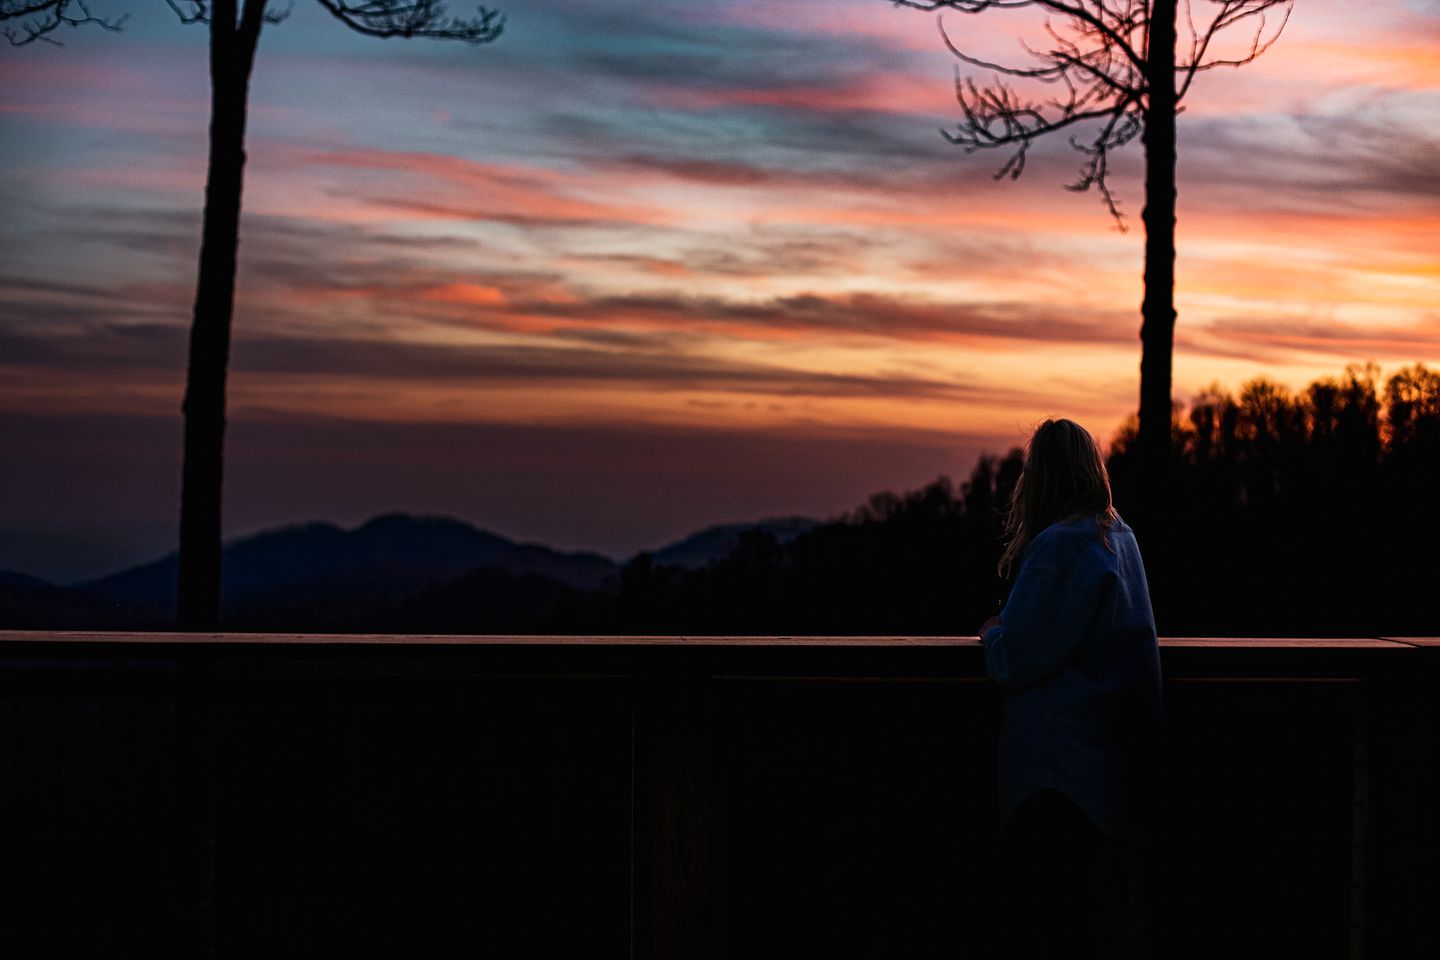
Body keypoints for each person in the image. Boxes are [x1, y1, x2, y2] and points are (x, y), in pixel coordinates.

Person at [976, 418, 1164, 959]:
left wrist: (992, 635)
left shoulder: (1062, 547)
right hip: (1107, 777)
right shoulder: (1119, 538)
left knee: (1048, 930)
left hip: (1057, 780)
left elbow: (1018, 657)